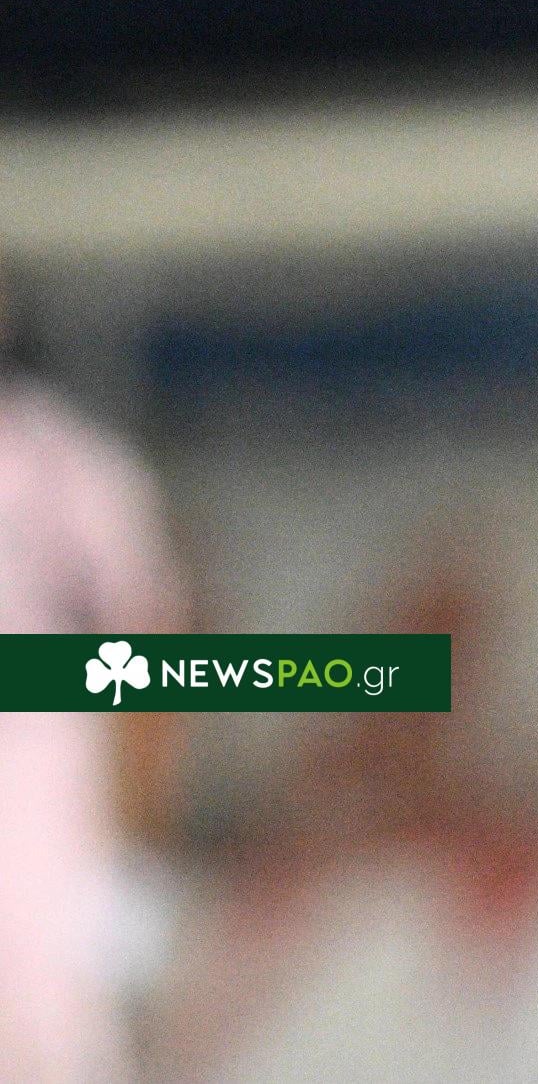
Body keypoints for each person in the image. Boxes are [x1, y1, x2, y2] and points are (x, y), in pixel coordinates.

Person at [0, 264, 189, 1083]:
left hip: (42, 803)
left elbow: (154, 657)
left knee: (58, 1041)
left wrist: (139, 850)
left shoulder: (70, 468)